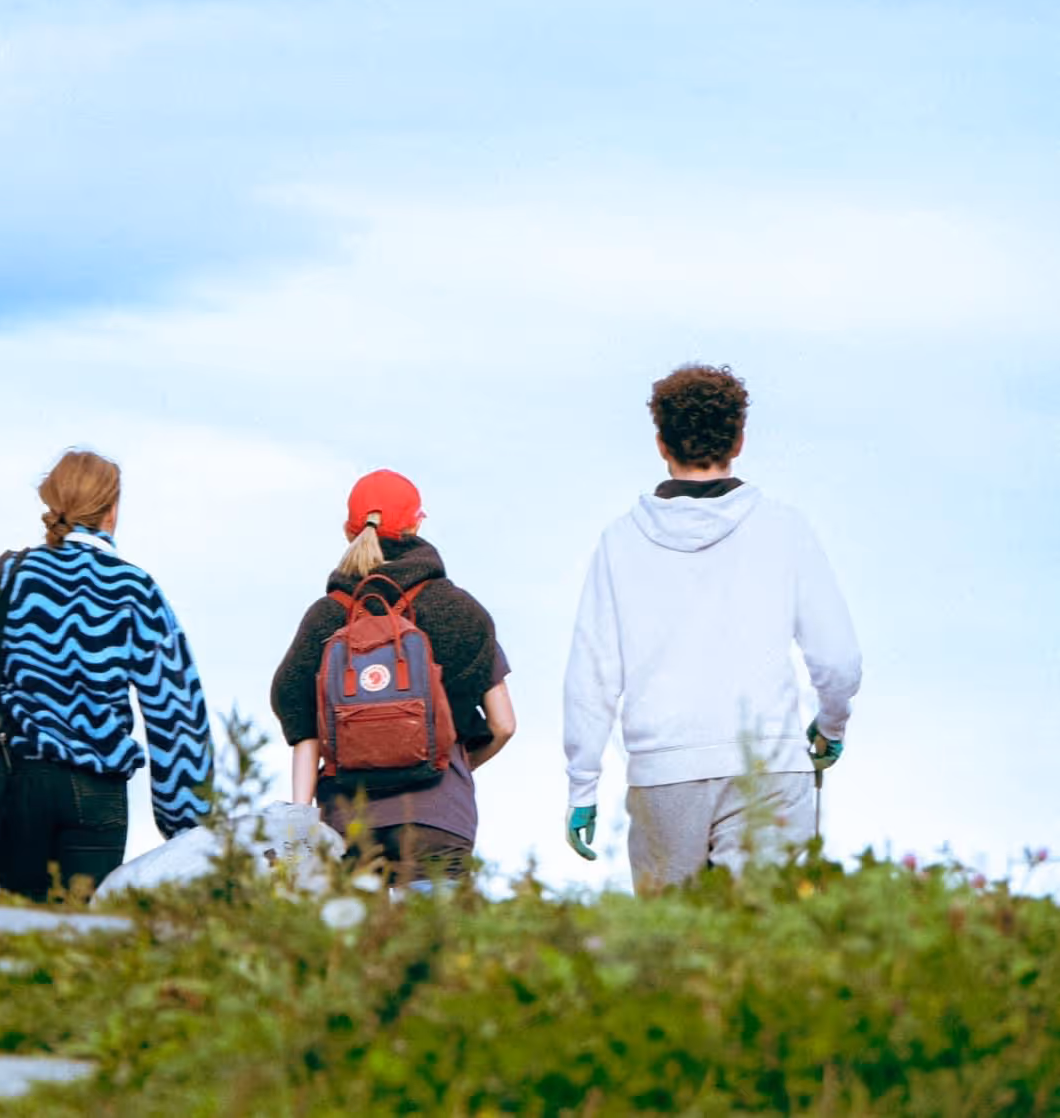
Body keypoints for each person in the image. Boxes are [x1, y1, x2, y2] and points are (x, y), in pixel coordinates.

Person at [563, 364, 862, 890]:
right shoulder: (785, 529)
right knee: (766, 949)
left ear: (661, 442)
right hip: (769, 765)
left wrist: (582, 785)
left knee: (671, 958)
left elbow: (592, 676)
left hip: (661, 773)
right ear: (740, 439)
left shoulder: (619, 542)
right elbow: (837, 659)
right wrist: (831, 726)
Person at [0, 449, 213, 900]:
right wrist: (186, 819)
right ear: (112, 509)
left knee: (24, 933)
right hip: (96, 789)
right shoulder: (135, 589)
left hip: (18, 782)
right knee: (84, 941)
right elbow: (176, 709)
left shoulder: (8, 577)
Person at [271, 470, 516, 885]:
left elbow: (301, 724)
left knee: (357, 948)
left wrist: (302, 820)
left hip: (349, 824)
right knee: (433, 948)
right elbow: (504, 724)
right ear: (416, 524)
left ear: (350, 530)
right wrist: (447, 763)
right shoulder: (459, 610)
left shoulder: (326, 616)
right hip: (439, 820)